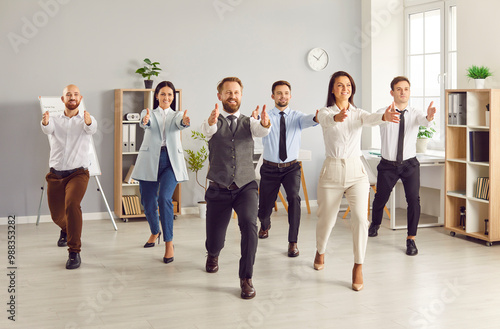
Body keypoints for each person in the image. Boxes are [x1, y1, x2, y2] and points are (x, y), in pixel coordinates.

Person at [314, 71, 400, 291]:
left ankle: (358, 265)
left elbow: (370, 119)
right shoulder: (325, 112)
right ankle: (320, 250)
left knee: (361, 219)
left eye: (349, 85)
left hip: (356, 172)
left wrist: (384, 117)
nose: (345, 89)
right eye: (340, 85)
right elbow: (325, 120)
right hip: (331, 171)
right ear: (332, 89)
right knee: (326, 220)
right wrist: (336, 118)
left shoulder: (358, 113)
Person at [201, 77, 270, 299]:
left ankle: (246, 277)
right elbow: (207, 130)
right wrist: (212, 121)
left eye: (236, 92)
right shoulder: (212, 121)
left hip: (245, 186)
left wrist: (266, 124)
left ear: (241, 95)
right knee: (215, 239)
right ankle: (212, 253)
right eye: (228, 92)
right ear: (220, 96)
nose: (232, 96)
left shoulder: (250, 122)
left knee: (250, 225)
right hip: (218, 188)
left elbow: (261, 131)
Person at [368, 76, 436, 256]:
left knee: (413, 200)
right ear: (392, 92)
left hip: (409, 165)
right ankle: (375, 224)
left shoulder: (415, 112)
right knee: (381, 198)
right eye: (399, 89)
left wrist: (429, 116)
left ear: (409, 92)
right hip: (387, 165)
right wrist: (384, 117)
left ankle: (411, 239)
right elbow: (373, 121)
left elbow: (425, 121)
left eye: (406, 89)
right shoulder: (384, 112)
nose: (403, 92)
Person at [257, 80, 318, 257]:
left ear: (290, 96)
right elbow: (258, 127)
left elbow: (310, 120)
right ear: (273, 96)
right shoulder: (266, 116)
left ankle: (293, 242)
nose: (282, 96)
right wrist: (259, 121)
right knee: (264, 208)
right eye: (279, 93)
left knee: (294, 197)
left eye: (286, 93)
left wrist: (317, 117)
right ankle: (265, 224)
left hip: (291, 168)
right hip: (269, 168)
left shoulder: (297, 117)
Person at [131, 81, 190, 264]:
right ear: (157, 96)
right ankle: (155, 231)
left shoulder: (178, 115)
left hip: (170, 162)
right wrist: (145, 121)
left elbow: (180, 124)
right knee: (148, 203)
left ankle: (168, 243)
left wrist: (185, 122)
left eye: (170, 95)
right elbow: (144, 124)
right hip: (150, 161)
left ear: (173, 97)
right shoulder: (147, 113)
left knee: (164, 198)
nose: (166, 98)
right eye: (163, 94)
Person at [41, 84, 97, 270]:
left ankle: (74, 252)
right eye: (68, 95)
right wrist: (45, 122)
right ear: (62, 99)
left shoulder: (86, 119)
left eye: (75, 94)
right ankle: (65, 229)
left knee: (72, 205)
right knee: (56, 215)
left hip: (78, 173)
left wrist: (89, 122)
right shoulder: (54, 120)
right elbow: (47, 129)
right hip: (56, 174)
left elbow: (92, 128)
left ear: (80, 99)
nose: (72, 97)